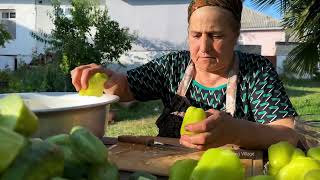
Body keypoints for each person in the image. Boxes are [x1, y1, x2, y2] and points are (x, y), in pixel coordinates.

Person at [71, 0, 299, 150]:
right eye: (196, 35)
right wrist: (104, 77)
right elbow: (125, 88)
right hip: (167, 163)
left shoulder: (256, 72)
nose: (204, 47)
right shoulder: (173, 65)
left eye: (216, 36)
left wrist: (237, 131)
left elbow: (287, 135)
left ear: (236, 34)